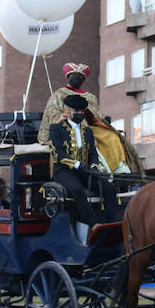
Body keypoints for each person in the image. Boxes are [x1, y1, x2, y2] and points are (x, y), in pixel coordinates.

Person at [46, 93, 110, 234]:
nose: (79, 114)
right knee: (77, 189)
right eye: (76, 111)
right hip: (63, 171)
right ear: (68, 111)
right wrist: (76, 164)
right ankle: (93, 224)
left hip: (85, 170)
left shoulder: (87, 132)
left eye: (81, 112)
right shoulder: (56, 129)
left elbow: (93, 153)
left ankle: (111, 222)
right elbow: (58, 153)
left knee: (108, 187)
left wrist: (94, 166)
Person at [38, 62, 102, 144]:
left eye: (80, 76)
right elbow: (52, 114)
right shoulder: (59, 94)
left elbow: (97, 115)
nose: (77, 78)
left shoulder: (90, 97)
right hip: (66, 126)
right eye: (74, 75)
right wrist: (65, 117)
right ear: (69, 76)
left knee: (111, 138)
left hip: (90, 128)